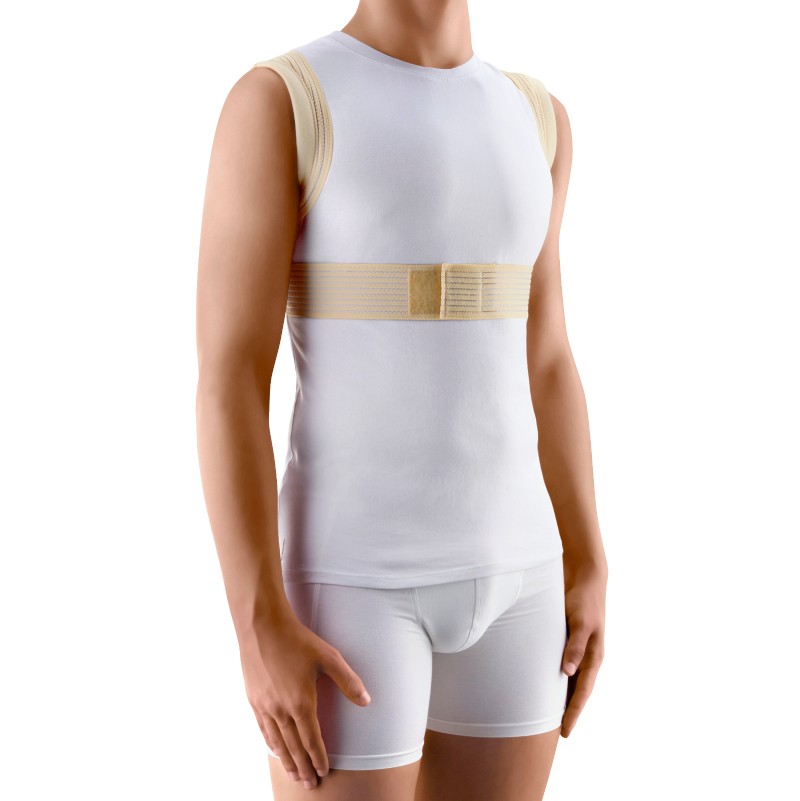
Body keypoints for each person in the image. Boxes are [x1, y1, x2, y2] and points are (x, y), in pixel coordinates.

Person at [196, 3, 607, 799]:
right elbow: (230, 376)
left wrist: (588, 555)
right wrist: (256, 620)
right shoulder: (283, 100)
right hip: (352, 586)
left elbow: (548, 354)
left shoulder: (539, 118)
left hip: (525, 583)